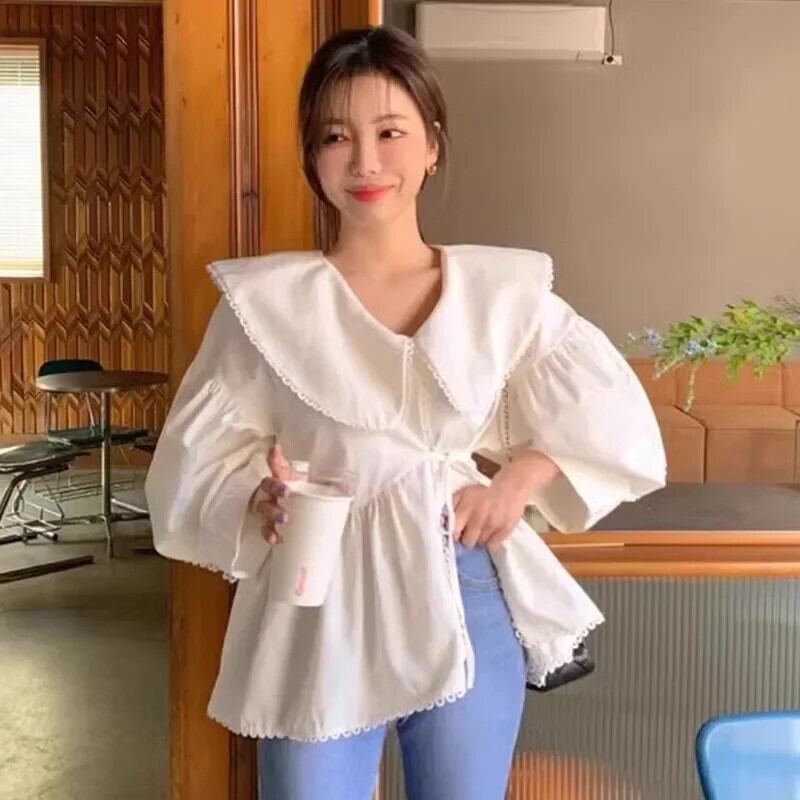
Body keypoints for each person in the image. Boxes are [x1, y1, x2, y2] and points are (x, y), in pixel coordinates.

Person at [145, 24, 666, 800]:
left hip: (462, 586)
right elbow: (195, 465)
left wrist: (521, 477)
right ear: (311, 158)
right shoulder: (265, 307)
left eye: (390, 132)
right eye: (336, 136)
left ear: (432, 145)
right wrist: (257, 496)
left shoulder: (500, 294)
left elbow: (613, 414)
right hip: (318, 597)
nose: (365, 161)